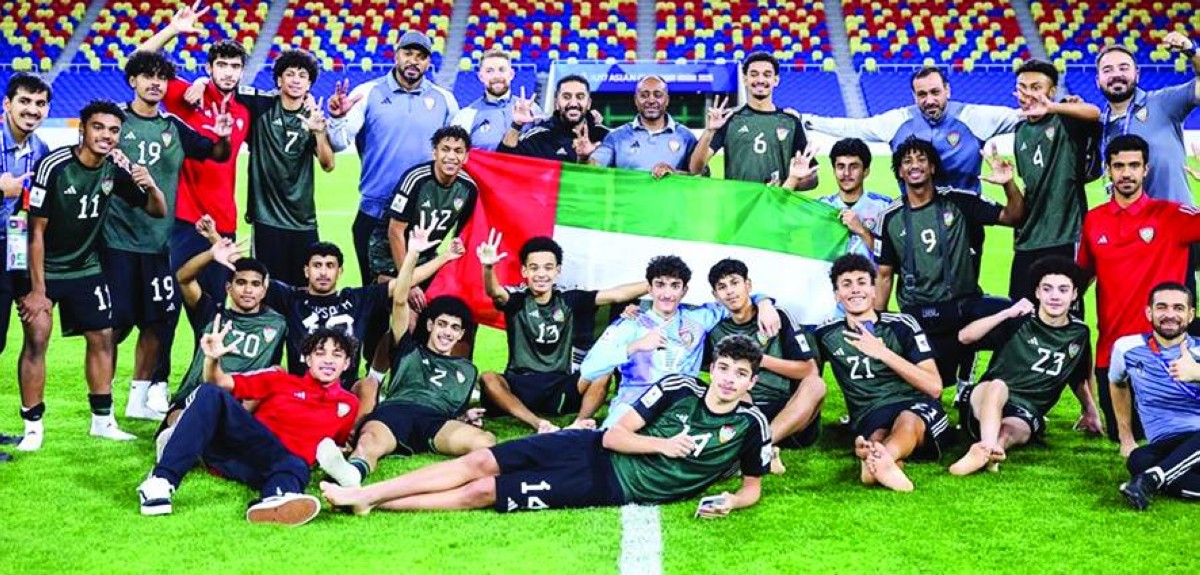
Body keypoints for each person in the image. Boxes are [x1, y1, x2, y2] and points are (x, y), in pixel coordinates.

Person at [319, 334, 771, 518]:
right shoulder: (678, 388)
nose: (729, 380)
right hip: (590, 446)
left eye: (740, 374)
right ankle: (367, 493)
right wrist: (664, 445)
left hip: (607, 484)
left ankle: (373, 502)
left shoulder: (751, 425)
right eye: (724, 368)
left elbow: (753, 486)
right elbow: (616, 435)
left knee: (484, 492)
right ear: (713, 367)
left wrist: (731, 500)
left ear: (751, 381)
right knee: (480, 462)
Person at [15, 100, 167, 451]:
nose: (106, 135)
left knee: (102, 337)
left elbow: (156, 210)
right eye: (98, 127)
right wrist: (37, 291)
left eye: (114, 130)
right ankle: (33, 427)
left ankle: (102, 422)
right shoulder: (54, 166)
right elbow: (35, 232)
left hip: (86, 266)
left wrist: (151, 185)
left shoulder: (115, 169)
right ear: (82, 129)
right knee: (37, 337)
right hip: (44, 267)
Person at [316, 223, 491, 487]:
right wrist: (412, 255)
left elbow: (454, 407)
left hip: (435, 422)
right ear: (430, 325)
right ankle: (352, 474)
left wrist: (464, 418)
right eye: (442, 324)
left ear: (460, 334)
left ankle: (455, 480)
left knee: (485, 441)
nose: (447, 332)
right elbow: (399, 300)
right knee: (369, 442)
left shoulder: (467, 370)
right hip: (395, 413)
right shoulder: (407, 347)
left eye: (454, 328)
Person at [107, 50, 232, 421]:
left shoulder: (173, 126)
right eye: (148, 76)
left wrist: (223, 136)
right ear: (133, 80)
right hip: (116, 241)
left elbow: (216, 153)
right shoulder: (114, 121)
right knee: (114, 326)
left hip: (160, 242)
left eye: (162, 77)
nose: (156, 83)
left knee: (157, 322)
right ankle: (103, 406)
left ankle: (138, 401)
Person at [136, 3, 254, 398]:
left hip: (224, 224)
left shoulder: (244, 111)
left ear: (242, 72)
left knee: (216, 312)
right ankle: (157, 385)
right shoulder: (186, 97)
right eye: (221, 65)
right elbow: (139, 63)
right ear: (209, 68)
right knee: (169, 303)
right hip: (183, 219)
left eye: (235, 66)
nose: (228, 72)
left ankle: (205, 387)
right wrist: (172, 29)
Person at [135, 327, 359, 525]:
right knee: (210, 392)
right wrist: (212, 360)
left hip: (276, 468)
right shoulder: (280, 380)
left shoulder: (349, 404)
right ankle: (160, 482)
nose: (328, 360)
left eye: (337, 355)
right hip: (247, 446)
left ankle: (274, 500)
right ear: (308, 359)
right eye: (320, 353)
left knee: (297, 466)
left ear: (347, 363)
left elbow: (336, 444)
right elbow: (220, 382)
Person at [1078, 134, 1200, 443]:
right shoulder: (1094, 220)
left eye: (1134, 165)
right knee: (1121, 436)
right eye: (1119, 166)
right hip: (1113, 352)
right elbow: (1082, 276)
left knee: (1172, 435)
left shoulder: (1173, 215)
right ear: (1108, 170)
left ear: (1146, 170)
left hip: (1166, 354)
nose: (1126, 173)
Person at [875, 137, 1023, 389]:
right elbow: (884, 275)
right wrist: (877, 324)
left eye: (921, 159)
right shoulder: (890, 217)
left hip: (962, 308)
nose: (915, 165)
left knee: (1019, 319)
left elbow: (1013, 217)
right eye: (907, 161)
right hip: (918, 315)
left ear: (932, 167)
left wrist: (1008, 183)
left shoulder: (958, 201)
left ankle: (985, 388)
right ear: (899, 171)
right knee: (930, 387)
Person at [577, 255, 780, 427]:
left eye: (675, 286)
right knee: (609, 446)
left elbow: (736, 300)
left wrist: (764, 303)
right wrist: (635, 346)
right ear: (649, 289)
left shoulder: (699, 318)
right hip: (633, 404)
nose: (667, 294)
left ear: (684, 290)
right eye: (660, 285)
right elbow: (589, 369)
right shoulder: (630, 324)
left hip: (681, 405)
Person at [327, 30, 459, 287]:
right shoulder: (368, 93)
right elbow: (338, 143)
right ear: (396, 55)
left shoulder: (445, 100)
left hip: (422, 216)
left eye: (421, 56)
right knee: (374, 295)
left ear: (428, 63)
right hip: (375, 210)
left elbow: (457, 152)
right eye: (408, 53)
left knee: (418, 296)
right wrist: (337, 118)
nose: (414, 61)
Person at [476, 232, 646, 432]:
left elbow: (617, 294)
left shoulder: (569, 299)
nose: (541, 274)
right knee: (488, 378)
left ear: (558, 270)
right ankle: (538, 423)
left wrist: (657, 282)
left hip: (560, 385)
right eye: (534, 268)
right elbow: (494, 292)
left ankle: (579, 423)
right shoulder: (517, 300)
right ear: (524, 271)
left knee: (603, 372)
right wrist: (488, 268)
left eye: (548, 268)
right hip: (520, 383)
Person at [949, 257, 1100, 476]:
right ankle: (987, 447)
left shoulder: (1079, 333)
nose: (1055, 296)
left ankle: (992, 451)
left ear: (1074, 294)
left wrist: (1090, 412)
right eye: (1047, 289)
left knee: (1012, 430)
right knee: (998, 386)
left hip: (1026, 410)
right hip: (986, 398)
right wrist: (1005, 313)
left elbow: (1077, 377)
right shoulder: (1019, 319)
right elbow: (965, 337)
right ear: (1037, 292)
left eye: (1063, 290)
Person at [813, 254, 945, 492]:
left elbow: (934, 386)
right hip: (870, 413)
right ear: (837, 295)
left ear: (873, 290)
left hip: (914, 403)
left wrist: (882, 353)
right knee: (876, 435)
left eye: (862, 282)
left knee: (907, 420)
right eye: (846, 284)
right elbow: (806, 372)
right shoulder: (827, 335)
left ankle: (878, 460)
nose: (855, 290)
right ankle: (882, 461)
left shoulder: (902, 325)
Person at [266, 238, 463, 390]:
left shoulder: (357, 299)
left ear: (340, 271)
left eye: (330, 266)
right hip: (301, 387)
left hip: (345, 389)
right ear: (306, 271)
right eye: (317, 265)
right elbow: (254, 278)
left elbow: (404, 282)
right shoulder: (291, 298)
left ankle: (357, 427)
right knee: (275, 376)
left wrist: (445, 256)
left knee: (369, 386)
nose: (324, 273)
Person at [804, 66, 1020, 193]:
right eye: (922, 94)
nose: (929, 100)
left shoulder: (973, 117)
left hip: (965, 219)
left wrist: (1042, 106)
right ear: (914, 96)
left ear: (947, 90)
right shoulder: (899, 120)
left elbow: (1022, 117)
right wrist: (806, 120)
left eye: (935, 92)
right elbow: (854, 127)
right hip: (914, 220)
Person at [157, 234, 286, 439]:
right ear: (228, 288)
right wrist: (211, 254)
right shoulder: (210, 315)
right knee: (179, 417)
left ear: (264, 290)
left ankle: (198, 436)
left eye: (255, 284)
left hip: (243, 399)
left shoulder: (279, 324)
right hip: (198, 394)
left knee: (276, 374)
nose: (248, 290)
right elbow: (183, 278)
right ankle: (189, 435)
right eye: (241, 282)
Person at [706, 258, 825, 473]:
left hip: (788, 412)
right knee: (734, 389)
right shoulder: (716, 331)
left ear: (748, 285)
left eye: (735, 283)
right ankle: (766, 449)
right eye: (722, 287)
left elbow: (809, 370)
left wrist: (760, 359)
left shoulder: (776, 316)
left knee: (816, 384)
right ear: (715, 295)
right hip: (745, 408)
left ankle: (761, 444)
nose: (730, 291)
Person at [232, 49, 335, 287]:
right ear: (279, 80)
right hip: (266, 219)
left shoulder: (312, 116)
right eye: (290, 74)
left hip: (303, 219)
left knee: (304, 289)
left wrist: (319, 132)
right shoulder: (261, 106)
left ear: (309, 84)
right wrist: (201, 81)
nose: (296, 80)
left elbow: (328, 165)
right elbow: (224, 90)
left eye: (302, 75)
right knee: (269, 289)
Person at [1004, 59, 1101, 304]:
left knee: (1063, 309)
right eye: (1022, 87)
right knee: (1020, 312)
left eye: (1036, 87)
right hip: (1027, 239)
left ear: (1052, 91)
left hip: (1064, 235)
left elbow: (1094, 113)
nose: (1028, 94)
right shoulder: (1020, 131)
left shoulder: (1065, 120)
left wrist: (1055, 107)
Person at [1110, 282, 1200, 510]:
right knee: (1139, 460)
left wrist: (1197, 373)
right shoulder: (1126, 348)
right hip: (1167, 443)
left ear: (1190, 315)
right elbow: (1117, 383)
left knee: (1148, 468)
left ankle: (1150, 480)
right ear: (1149, 312)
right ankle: (1156, 475)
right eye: (1162, 307)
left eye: (1178, 308)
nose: (1170, 315)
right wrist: (1126, 438)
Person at [1095, 33, 1200, 206]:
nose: (1116, 74)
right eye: (1107, 70)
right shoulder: (1100, 125)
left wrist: (1192, 50)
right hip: (1128, 221)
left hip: (1174, 219)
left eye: (1123, 68)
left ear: (1137, 74)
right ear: (1098, 81)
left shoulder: (1163, 102)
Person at [689, 52, 817, 187]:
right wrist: (709, 131)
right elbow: (695, 169)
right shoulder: (729, 119)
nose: (760, 80)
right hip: (739, 200)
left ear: (776, 80)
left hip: (776, 200)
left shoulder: (791, 122)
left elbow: (812, 177)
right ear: (745, 79)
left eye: (767, 75)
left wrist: (791, 181)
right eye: (754, 74)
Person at [0, 73, 51, 359]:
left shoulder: (41, 150)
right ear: (7, 104)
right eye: (25, 101)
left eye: (40, 103)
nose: (32, 109)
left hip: (16, 243)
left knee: (37, 325)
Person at [786, 137, 892, 262]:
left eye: (853, 167)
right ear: (834, 171)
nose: (846, 173)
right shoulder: (821, 206)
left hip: (870, 275)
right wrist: (793, 179)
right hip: (828, 275)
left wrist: (862, 231)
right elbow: (775, 217)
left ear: (866, 171)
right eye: (841, 166)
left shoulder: (885, 206)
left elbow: (896, 257)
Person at [589, 75, 697, 176]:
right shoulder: (616, 137)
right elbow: (592, 169)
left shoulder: (686, 137)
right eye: (644, 95)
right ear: (636, 100)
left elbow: (699, 176)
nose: (651, 100)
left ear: (667, 100)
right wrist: (585, 155)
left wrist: (674, 174)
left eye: (658, 95)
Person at [497, 74, 609, 163]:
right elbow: (502, 164)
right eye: (566, 97)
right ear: (556, 103)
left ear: (588, 103)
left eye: (580, 97)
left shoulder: (605, 136)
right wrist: (517, 124)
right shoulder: (539, 137)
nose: (573, 103)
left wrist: (586, 158)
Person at [451, 49, 541, 151]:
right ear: (481, 77)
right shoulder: (466, 115)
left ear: (511, 74)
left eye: (502, 70)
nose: (496, 76)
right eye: (489, 71)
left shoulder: (532, 109)